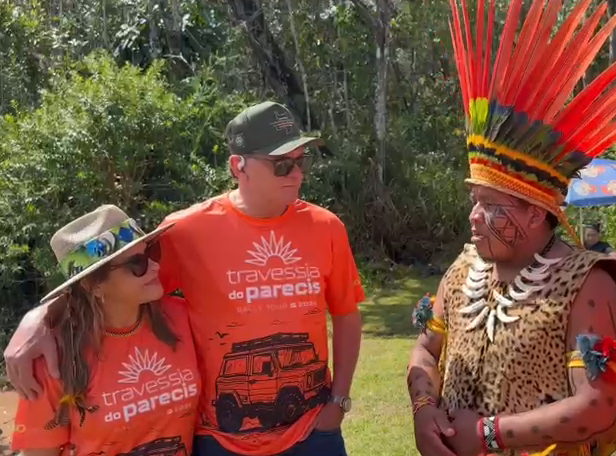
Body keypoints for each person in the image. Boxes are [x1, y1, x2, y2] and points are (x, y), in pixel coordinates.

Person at [4, 101, 365, 456]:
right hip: (222, 443)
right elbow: (107, 281)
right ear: (238, 166)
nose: (297, 174)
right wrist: (36, 319)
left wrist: (338, 403)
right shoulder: (187, 231)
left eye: (302, 161)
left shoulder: (326, 227)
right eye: (282, 165)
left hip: (314, 432)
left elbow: (346, 312)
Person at [406, 1, 616, 455]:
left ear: (533, 212)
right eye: (474, 202)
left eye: (489, 205)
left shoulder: (588, 282)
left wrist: (488, 433)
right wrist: (425, 410)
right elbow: (426, 351)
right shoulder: (462, 271)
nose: (473, 216)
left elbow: (598, 406)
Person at [11, 205, 200, 455]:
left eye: (152, 252)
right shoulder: (53, 359)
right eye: (138, 263)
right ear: (93, 284)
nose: (155, 266)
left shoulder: (182, 318)